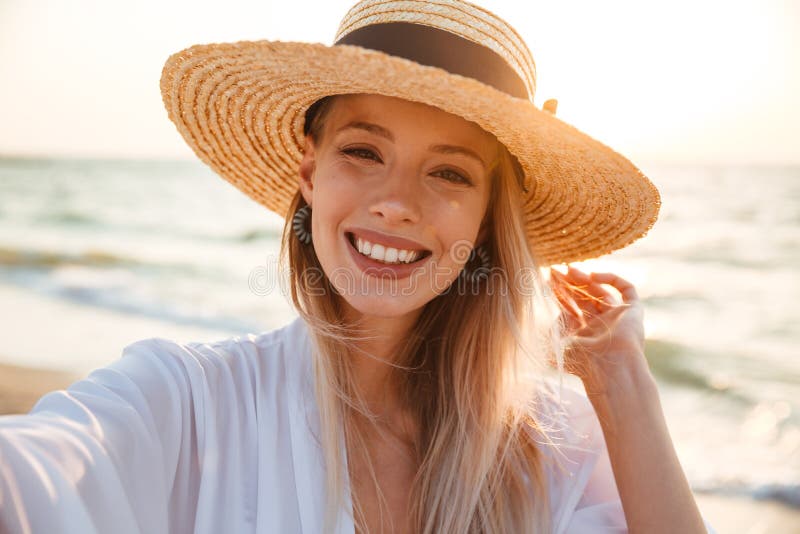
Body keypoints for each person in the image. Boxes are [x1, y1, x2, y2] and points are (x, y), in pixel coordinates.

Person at [0, 1, 717, 533]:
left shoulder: (552, 448)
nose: (397, 204)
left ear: (488, 221)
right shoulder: (189, 400)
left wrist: (624, 385)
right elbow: (36, 474)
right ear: (310, 175)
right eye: (364, 152)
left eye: (450, 173)